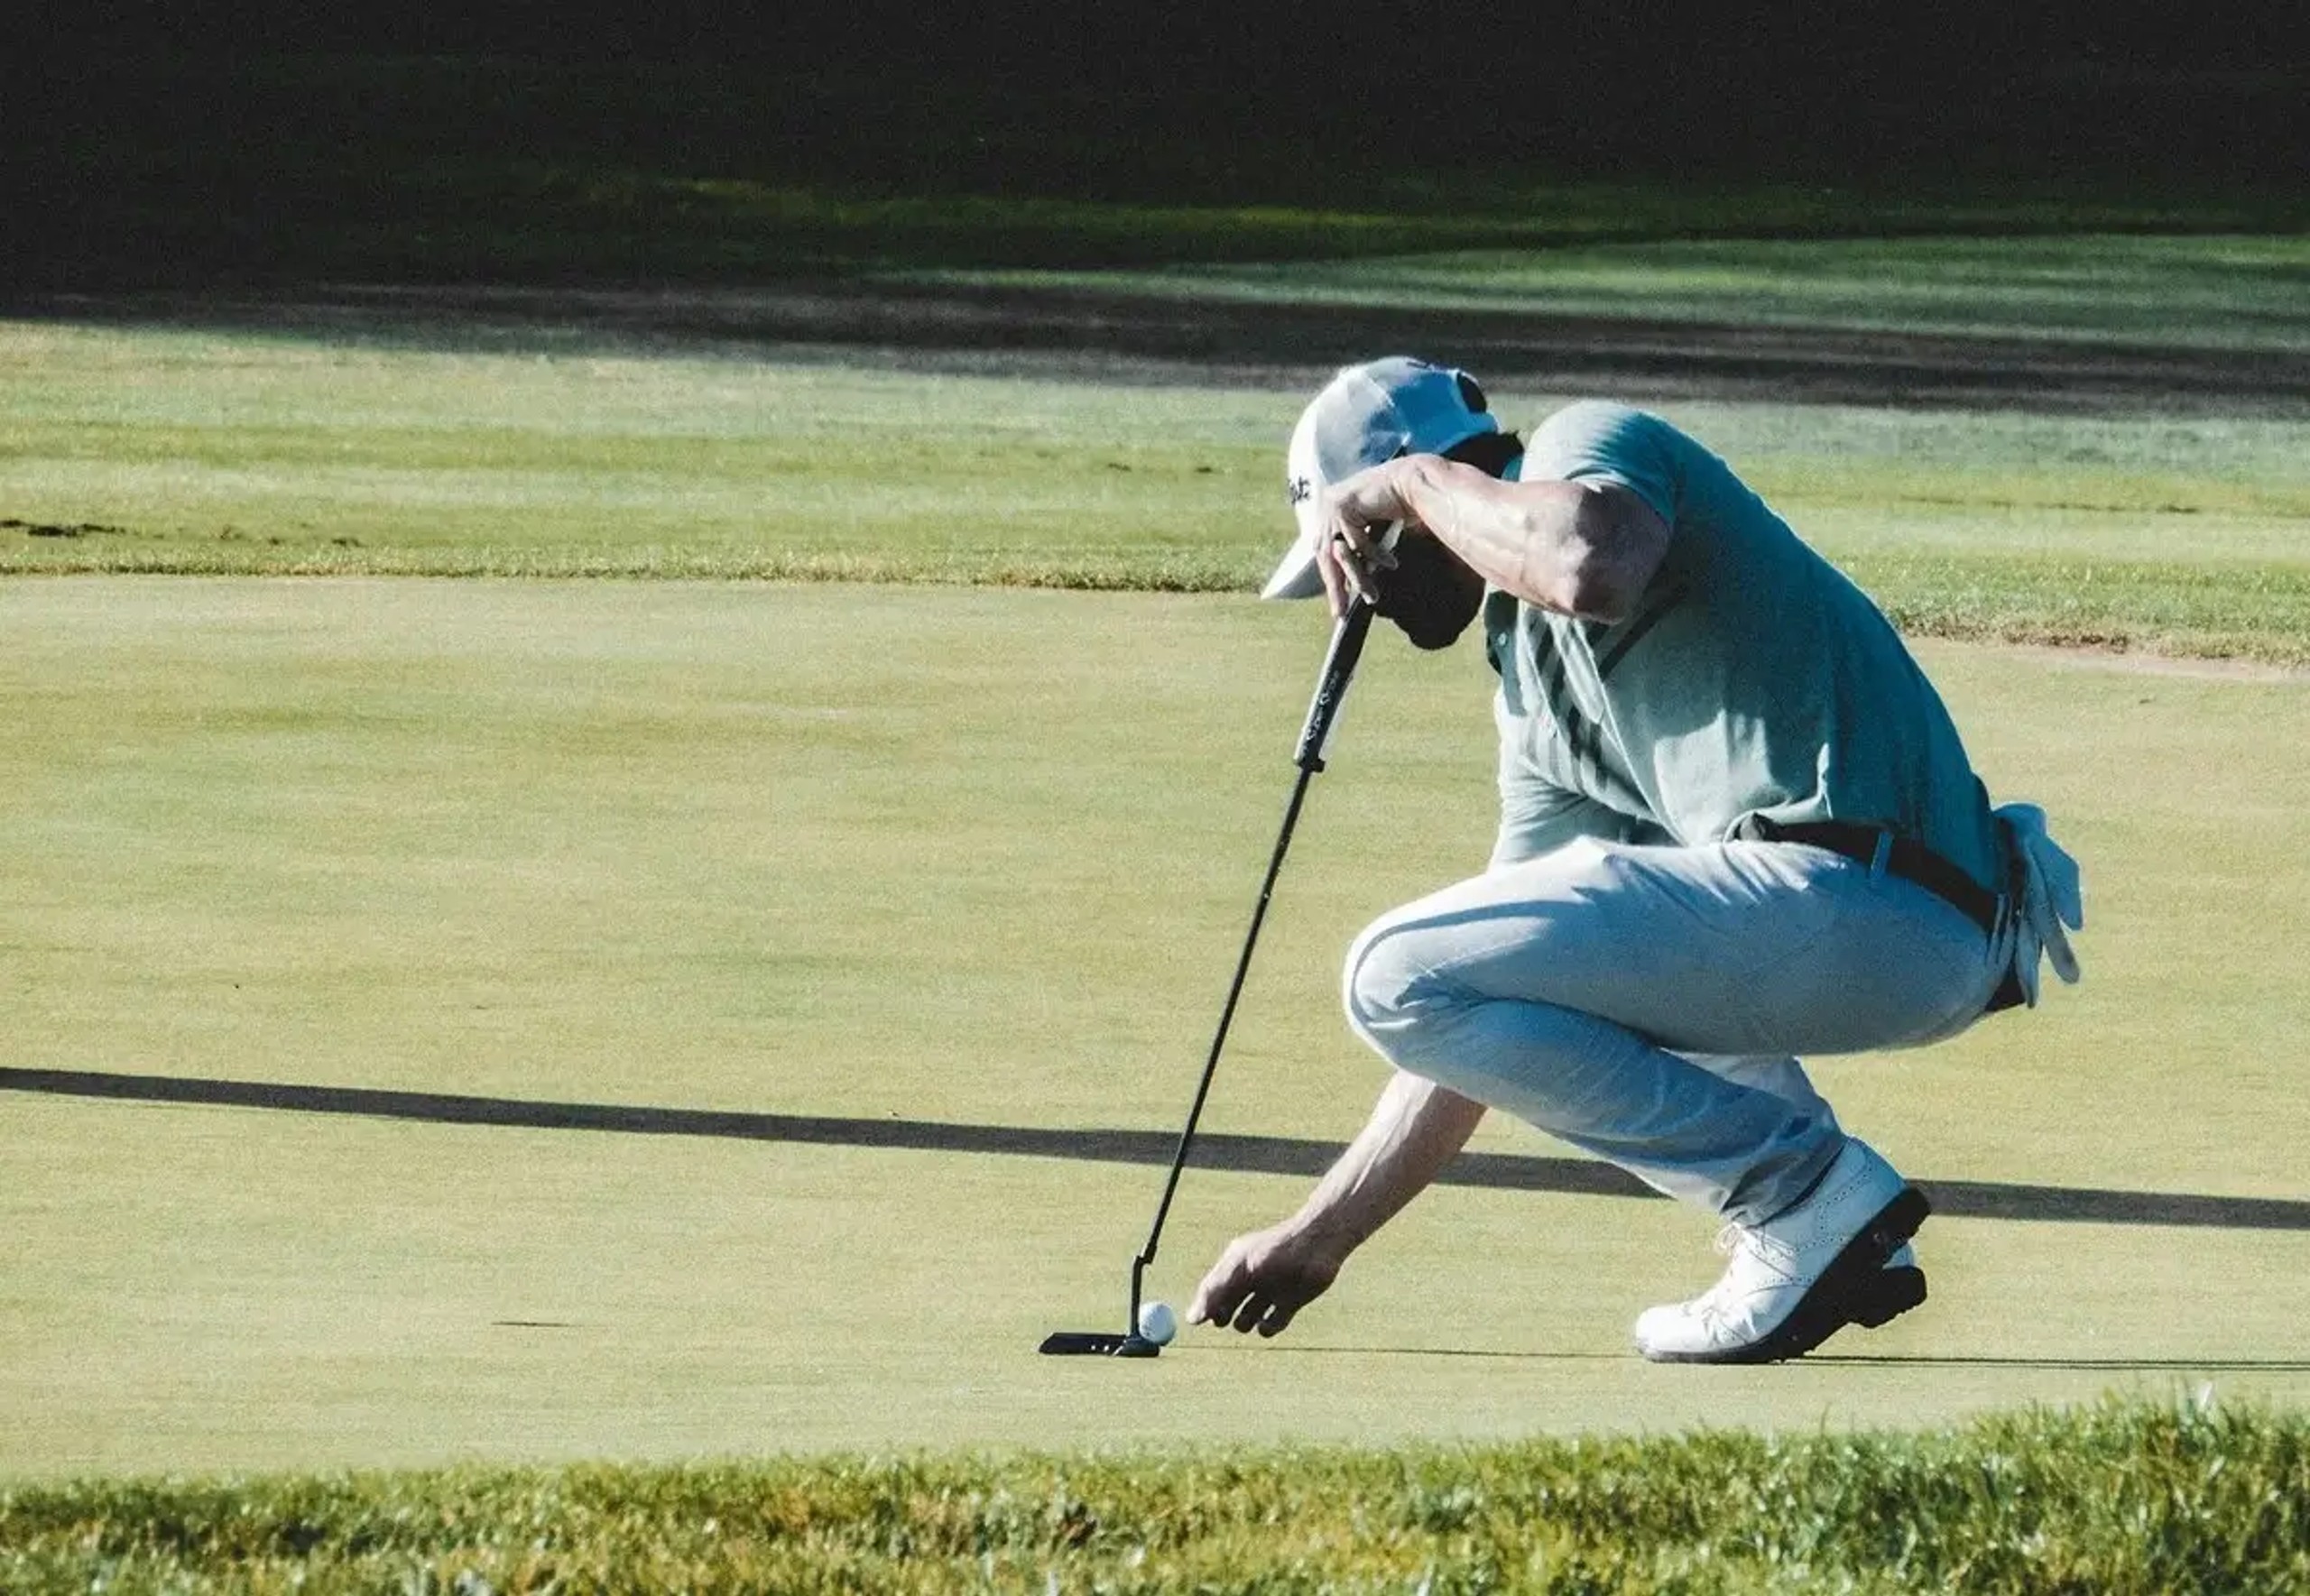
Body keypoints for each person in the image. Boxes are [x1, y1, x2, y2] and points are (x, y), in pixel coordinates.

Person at [1187, 357, 2084, 1363]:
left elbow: (1590, 566)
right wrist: (1321, 1232)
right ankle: (1842, 1239)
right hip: (1871, 925)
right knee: (1435, 976)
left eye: (1354, 553)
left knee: (1382, 971)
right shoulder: (1531, 687)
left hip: (1866, 891)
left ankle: (1800, 1197)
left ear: (1403, 504)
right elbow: (1487, 991)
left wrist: (1408, 484)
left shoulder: (1584, 443)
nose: (1361, 598)